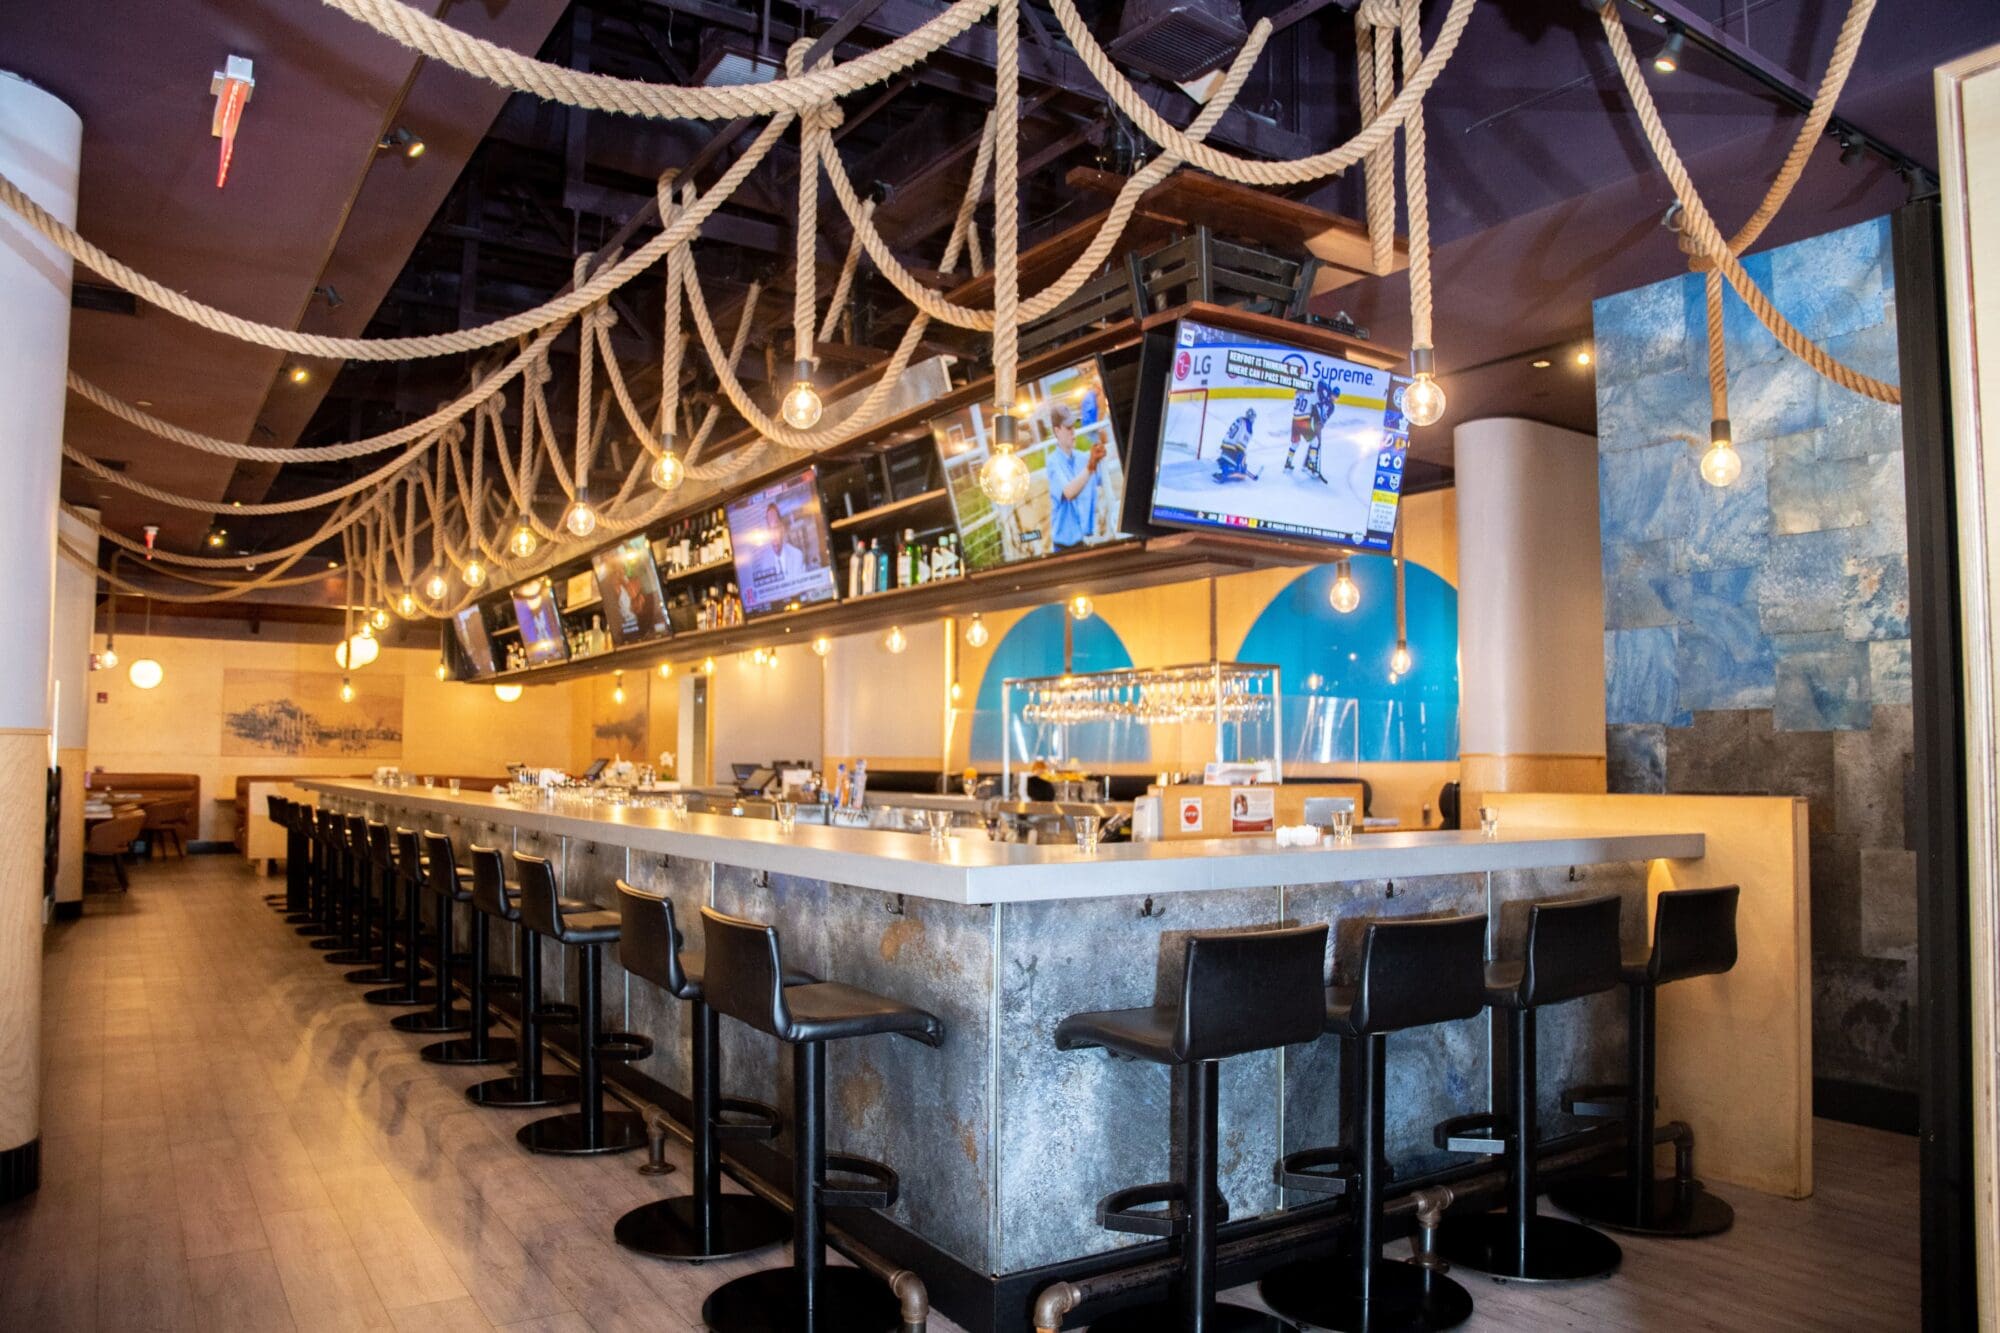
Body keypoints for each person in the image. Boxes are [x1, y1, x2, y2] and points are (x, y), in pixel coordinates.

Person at [1043, 403, 1105, 552]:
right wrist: (1091, 466)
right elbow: (1069, 492)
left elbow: (1101, 479)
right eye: (1068, 428)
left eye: (1073, 427)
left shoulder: (1082, 458)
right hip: (1064, 546)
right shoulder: (1053, 461)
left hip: (1083, 539)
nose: (1073, 432)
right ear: (1057, 431)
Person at [1284, 381, 1339, 483]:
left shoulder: (1297, 394)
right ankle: (1311, 464)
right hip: (1303, 420)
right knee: (1315, 442)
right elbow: (1320, 397)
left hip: (1294, 420)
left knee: (1295, 443)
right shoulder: (1312, 396)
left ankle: (1288, 463)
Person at [760, 501, 806, 583]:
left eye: (776, 528)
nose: (773, 534)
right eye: (770, 529)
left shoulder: (797, 555)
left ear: (782, 529)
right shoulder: (765, 562)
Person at [1214, 407, 1261, 482]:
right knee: (1242, 463)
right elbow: (1240, 447)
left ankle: (1223, 463)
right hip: (1231, 449)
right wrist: (1240, 465)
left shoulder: (1240, 419)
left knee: (1236, 460)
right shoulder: (1248, 426)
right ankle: (1228, 472)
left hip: (1224, 447)